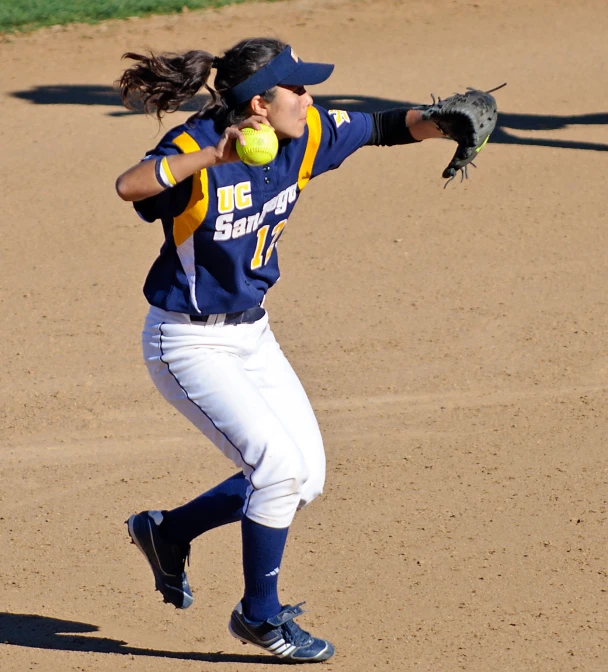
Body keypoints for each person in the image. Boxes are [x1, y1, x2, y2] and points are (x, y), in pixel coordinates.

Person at [115, 37, 444, 663]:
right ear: (259, 105)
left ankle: (168, 531)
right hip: (187, 344)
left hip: (253, 336)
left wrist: (440, 123)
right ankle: (259, 617)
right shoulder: (194, 145)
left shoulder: (303, 134)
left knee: (303, 480)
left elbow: (381, 126)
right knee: (273, 468)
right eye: (296, 88)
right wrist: (213, 155)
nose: (309, 97)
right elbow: (130, 186)